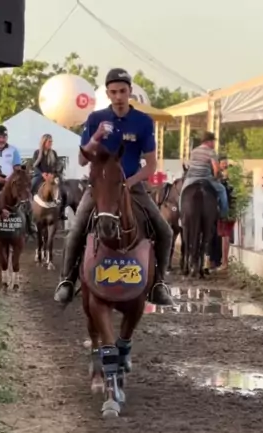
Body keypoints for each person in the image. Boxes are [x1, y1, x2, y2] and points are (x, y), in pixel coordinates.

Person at [54, 67, 174, 306]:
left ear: (130, 92)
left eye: (122, 91)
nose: (118, 96)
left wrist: (129, 183)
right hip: (99, 188)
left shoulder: (143, 122)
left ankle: (159, 283)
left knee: (165, 231)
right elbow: (82, 160)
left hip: (132, 186)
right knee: (76, 230)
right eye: (113, 92)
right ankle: (66, 281)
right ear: (108, 94)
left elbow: (151, 165)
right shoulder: (95, 119)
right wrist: (96, 137)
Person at [185, 132, 229, 219]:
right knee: (222, 190)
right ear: (208, 141)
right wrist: (217, 178)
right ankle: (224, 214)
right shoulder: (211, 152)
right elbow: (216, 170)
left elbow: (190, 165)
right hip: (206, 178)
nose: (214, 144)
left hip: (191, 178)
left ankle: (181, 213)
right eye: (213, 142)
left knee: (182, 193)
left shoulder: (194, 151)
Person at [31, 133, 66, 221]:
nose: (51, 143)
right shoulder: (37, 153)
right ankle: (30, 209)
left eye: (51, 142)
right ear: (44, 142)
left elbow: (57, 164)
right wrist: (42, 174)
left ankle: (62, 211)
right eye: (49, 141)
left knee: (63, 188)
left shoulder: (53, 153)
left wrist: (53, 173)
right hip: (40, 175)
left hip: (52, 176)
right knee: (32, 185)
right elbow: (35, 166)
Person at [216, 156, 237, 270]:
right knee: (223, 235)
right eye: (223, 163)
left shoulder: (226, 180)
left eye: (225, 163)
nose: (224, 165)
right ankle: (223, 261)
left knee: (225, 235)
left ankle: (225, 263)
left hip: (227, 209)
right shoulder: (220, 178)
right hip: (223, 209)